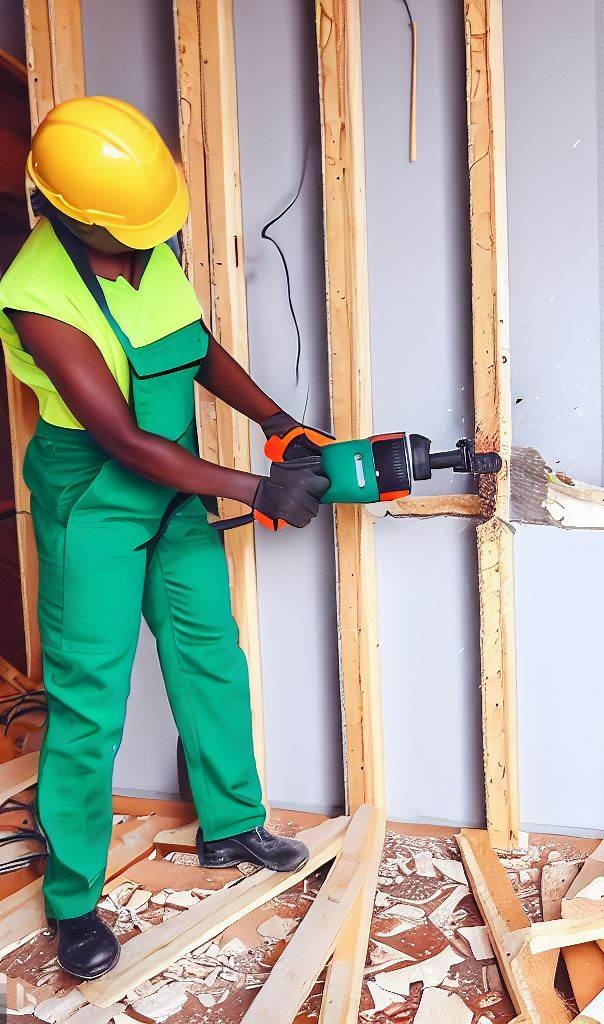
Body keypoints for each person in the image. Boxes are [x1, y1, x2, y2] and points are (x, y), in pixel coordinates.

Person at [0, 96, 330, 980]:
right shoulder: (36, 294)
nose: (149, 247)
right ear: (69, 213)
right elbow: (119, 437)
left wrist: (279, 423)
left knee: (207, 652)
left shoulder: (146, 242)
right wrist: (256, 489)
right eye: (130, 236)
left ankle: (231, 823)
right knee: (88, 704)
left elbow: (192, 345)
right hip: (96, 493)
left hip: (179, 478)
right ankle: (73, 902)